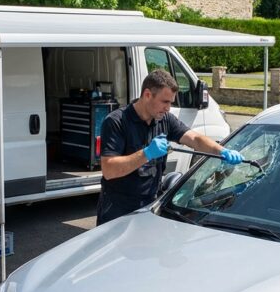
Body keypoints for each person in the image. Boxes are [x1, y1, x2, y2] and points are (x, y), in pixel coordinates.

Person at [97, 69, 243, 225]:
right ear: (147, 94)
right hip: (117, 212)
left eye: (171, 103)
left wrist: (222, 150)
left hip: (149, 208)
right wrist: (146, 154)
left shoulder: (164, 119)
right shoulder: (117, 122)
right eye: (165, 102)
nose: (168, 108)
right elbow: (109, 170)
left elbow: (194, 138)